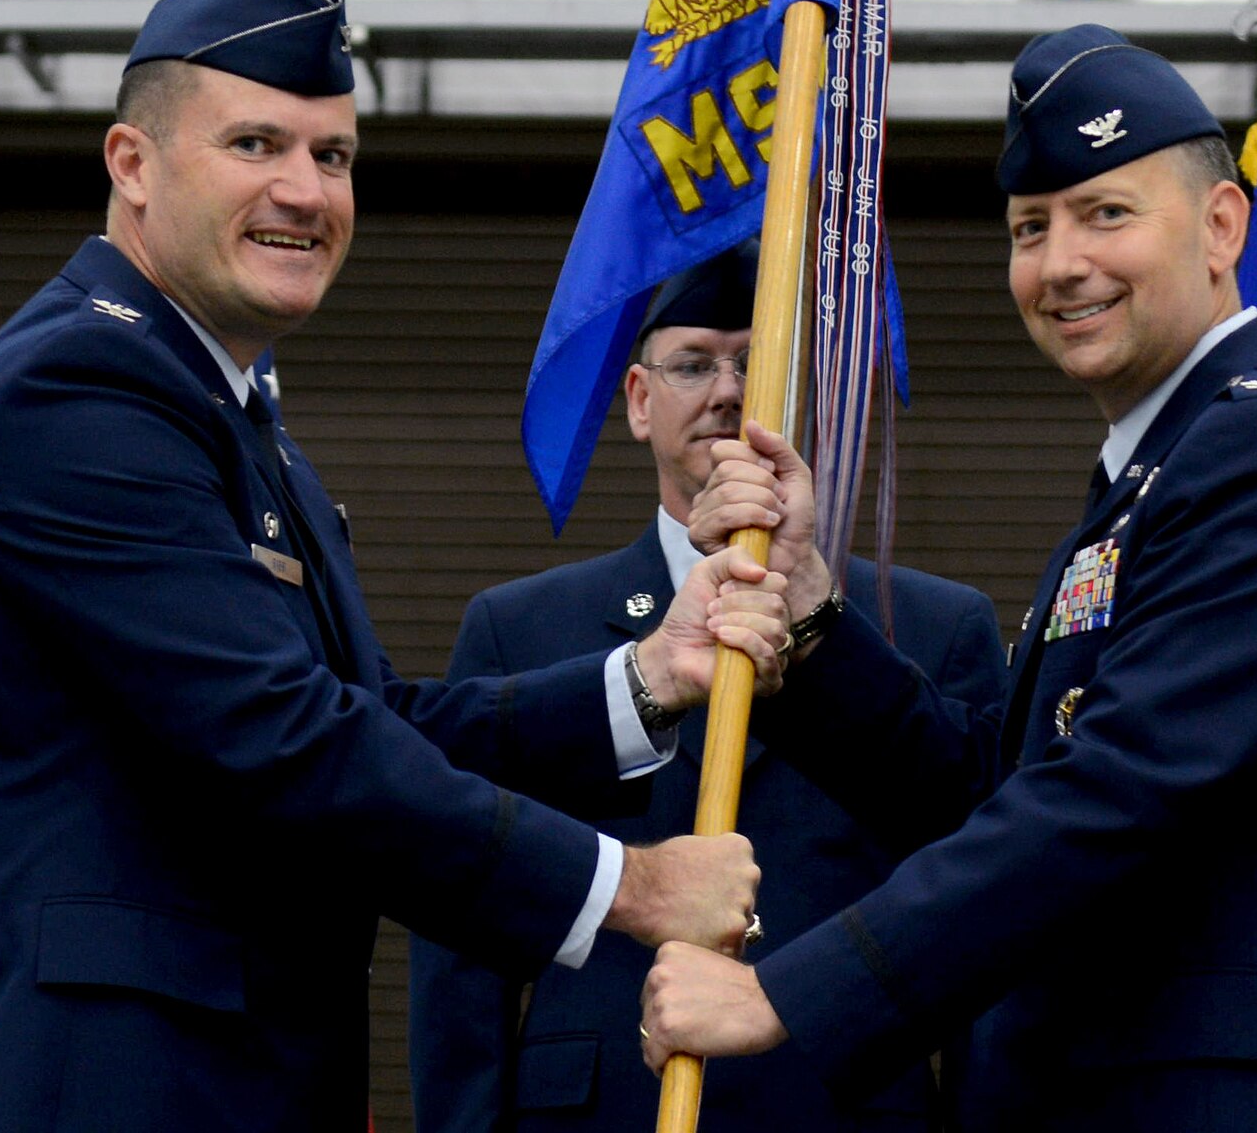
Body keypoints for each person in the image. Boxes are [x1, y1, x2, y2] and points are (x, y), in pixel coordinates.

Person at [0, 0, 795, 1132]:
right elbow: (289, 744)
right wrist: (633, 885)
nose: (305, 191)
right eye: (255, 145)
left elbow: (354, 720)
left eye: (333, 154)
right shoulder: (73, 398)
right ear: (132, 164)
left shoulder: (223, 411)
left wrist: (645, 677)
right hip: (91, 1087)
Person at [641, 24, 1257, 1130]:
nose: (1060, 262)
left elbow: (1109, 796)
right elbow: (998, 789)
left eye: (1105, 213)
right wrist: (811, 612)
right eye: (1029, 227)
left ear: (1219, 227)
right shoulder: (1155, 471)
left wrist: (786, 990)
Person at [407, 243, 1008, 1133]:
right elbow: (463, 934)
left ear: (799, 399)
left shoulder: (929, 626)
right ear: (640, 403)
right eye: (694, 363)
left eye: (757, 364)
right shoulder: (521, 628)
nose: (728, 391)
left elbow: (984, 922)